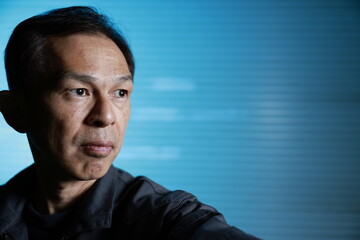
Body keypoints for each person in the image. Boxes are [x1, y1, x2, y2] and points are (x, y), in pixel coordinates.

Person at [0, 6, 260, 240]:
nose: (106, 116)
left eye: (120, 93)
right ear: (16, 111)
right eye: (80, 91)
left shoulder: (164, 218)